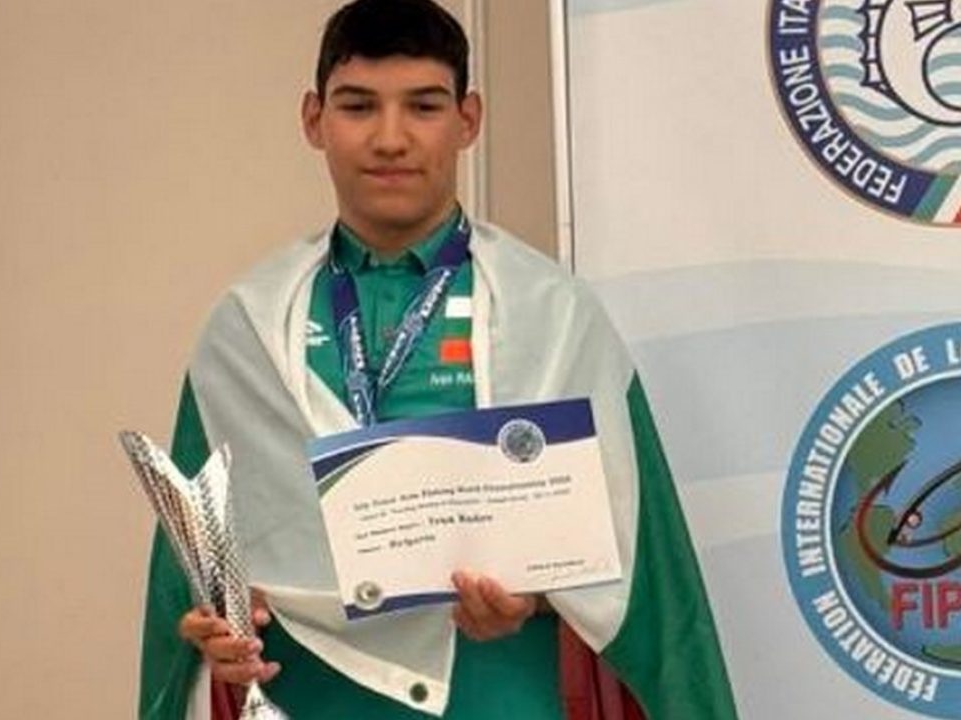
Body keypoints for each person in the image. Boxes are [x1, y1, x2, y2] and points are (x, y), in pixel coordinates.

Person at [138, 1, 738, 718]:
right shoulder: (246, 327)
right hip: (312, 698)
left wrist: (535, 597)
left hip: (497, 694)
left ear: (468, 120)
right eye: (358, 106)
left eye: (423, 106)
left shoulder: (553, 313)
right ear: (314, 119)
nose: (390, 138)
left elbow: (641, 573)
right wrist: (214, 630)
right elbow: (195, 579)